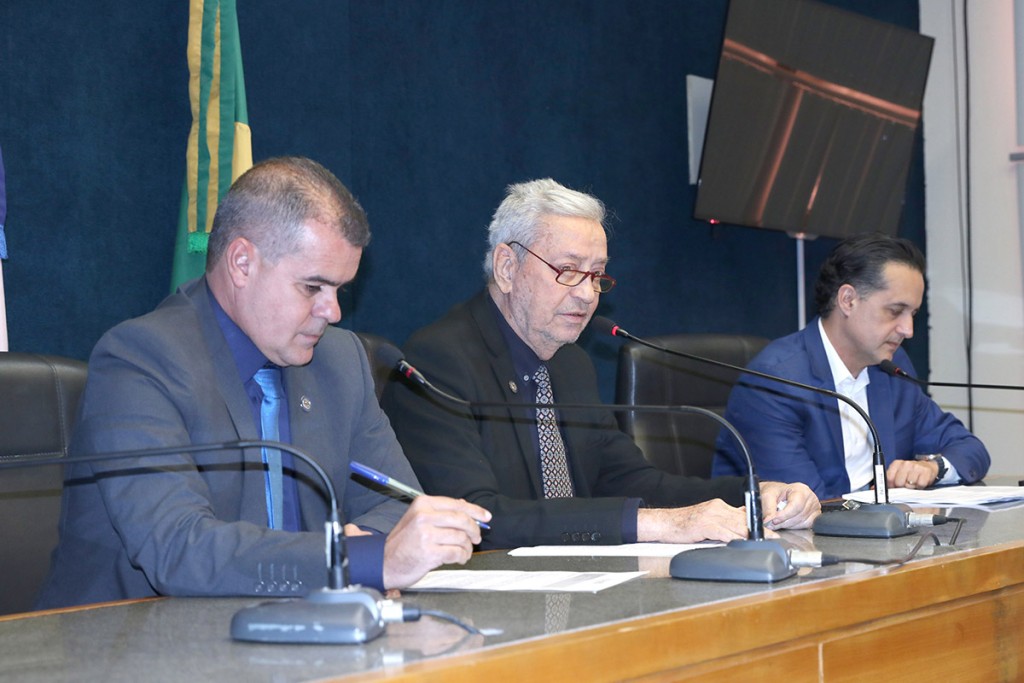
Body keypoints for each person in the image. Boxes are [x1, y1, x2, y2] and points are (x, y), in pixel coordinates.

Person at [37, 157, 489, 609]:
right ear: (242, 263)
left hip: (306, 634)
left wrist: (375, 557)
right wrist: (355, 561)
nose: (333, 312)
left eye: (340, 290)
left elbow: (398, 505)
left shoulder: (340, 360)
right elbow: (177, 548)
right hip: (136, 641)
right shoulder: (140, 360)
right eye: (312, 287)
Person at [380, 178, 819, 550]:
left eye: (596, 275)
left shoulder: (571, 363)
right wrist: (656, 525)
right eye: (568, 270)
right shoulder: (438, 360)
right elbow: (479, 516)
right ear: (507, 267)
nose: (587, 294)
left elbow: (638, 484)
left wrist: (755, 494)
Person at [711, 233, 990, 500]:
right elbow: (802, 507)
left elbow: (971, 450)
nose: (908, 330)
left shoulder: (892, 367)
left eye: (913, 314)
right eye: (895, 311)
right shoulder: (775, 382)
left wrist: (932, 468)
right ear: (848, 300)